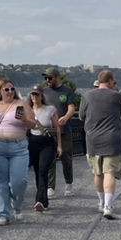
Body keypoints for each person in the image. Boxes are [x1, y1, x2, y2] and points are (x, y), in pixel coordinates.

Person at [0, 78, 35, 225]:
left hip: (18, 147)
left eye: (12, 89)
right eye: (6, 89)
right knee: (0, 182)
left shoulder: (21, 104)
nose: (10, 92)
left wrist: (24, 120)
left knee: (19, 181)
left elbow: (33, 124)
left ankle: (17, 205)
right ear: (0, 91)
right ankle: (3, 214)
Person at [78, 70, 121, 220]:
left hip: (92, 139)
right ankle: (108, 206)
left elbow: (81, 116)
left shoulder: (87, 96)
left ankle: (100, 201)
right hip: (112, 139)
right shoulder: (117, 96)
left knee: (98, 173)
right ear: (110, 80)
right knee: (109, 173)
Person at [41, 67, 76, 198]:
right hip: (49, 131)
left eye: (49, 78)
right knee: (50, 159)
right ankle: (51, 187)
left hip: (64, 130)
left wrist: (66, 117)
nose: (47, 80)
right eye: (46, 78)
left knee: (66, 157)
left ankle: (69, 183)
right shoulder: (44, 92)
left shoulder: (67, 91)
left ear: (56, 77)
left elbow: (72, 107)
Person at [28, 84, 62, 212]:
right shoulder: (29, 110)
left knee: (43, 170)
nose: (34, 97)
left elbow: (57, 127)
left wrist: (59, 145)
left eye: (37, 94)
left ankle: (39, 200)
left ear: (42, 96)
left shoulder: (50, 109)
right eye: (32, 94)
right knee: (37, 172)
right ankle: (44, 200)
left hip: (47, 143)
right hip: (33, 142)